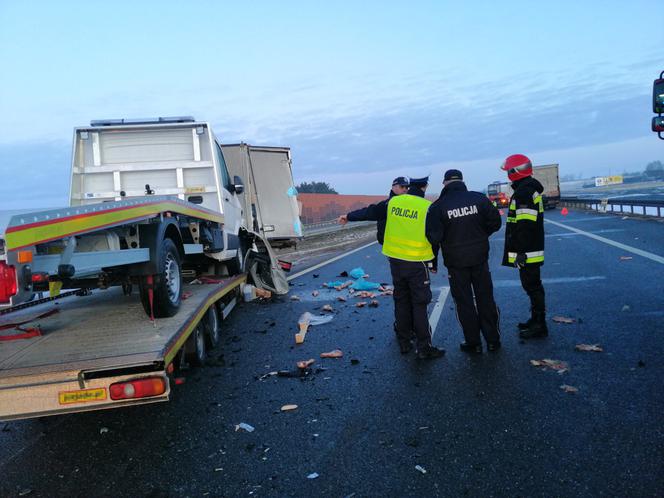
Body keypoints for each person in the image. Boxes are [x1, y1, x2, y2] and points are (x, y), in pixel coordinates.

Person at [426, 169, 502, 353]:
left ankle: (473, 343)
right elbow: (495, 223)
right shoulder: (479, 199)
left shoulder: (438, 206)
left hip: (456, 262)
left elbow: (433, 237)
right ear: (462, 181)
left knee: (464, 302)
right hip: (479, 258)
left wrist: (433, 261)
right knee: (485, 298)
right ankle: (493, 340)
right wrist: (481, 235)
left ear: (445, 184)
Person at [382, 176, 445, 359]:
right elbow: (435, 237)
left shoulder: (392, 203)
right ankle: (424, 347)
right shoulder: (426, 207)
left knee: (401, 300)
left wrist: (349, 216)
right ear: (424, 187)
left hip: (395, 260)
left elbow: (372, 213)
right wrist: (433, 261)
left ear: (407, 188)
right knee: (420, 303)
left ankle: (404, 341)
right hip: (417, 262)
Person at [500, 154, 547, 339]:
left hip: (528, 252)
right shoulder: (528, 189)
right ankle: (535, 320)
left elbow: (525, 227)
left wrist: (521, 252)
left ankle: (539, 324)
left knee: (532, 287)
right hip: (531, 249)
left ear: (514, 172)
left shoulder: (524, 193)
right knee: (533, 286)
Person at [336, 176, 409, 244]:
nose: (405, 189)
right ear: (394, 187)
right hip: (392, 246)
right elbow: (368, 212)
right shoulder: (388, 205)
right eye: (402, 186)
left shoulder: (412, 205)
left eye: (407, 187)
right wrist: (348, 216)